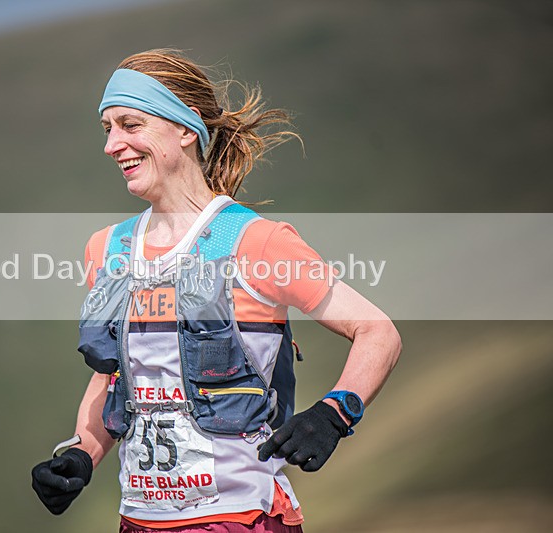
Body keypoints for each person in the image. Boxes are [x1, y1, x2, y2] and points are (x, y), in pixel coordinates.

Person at [31, 49, 401, 532]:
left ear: (185, 129)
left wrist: (334, 414)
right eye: (107, 129)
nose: (112, 144)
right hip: (138, 520)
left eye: (130, 124)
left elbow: (378, 331)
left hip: (240, 517)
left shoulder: (255, 241)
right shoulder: (108, 250)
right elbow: (116, 378)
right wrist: (82, 453)